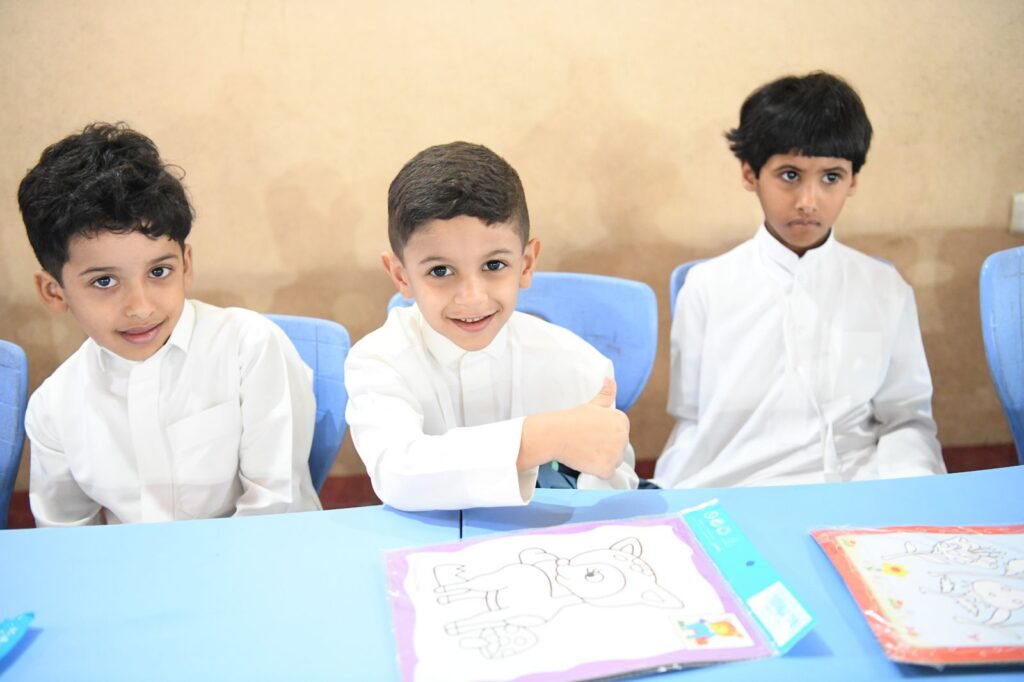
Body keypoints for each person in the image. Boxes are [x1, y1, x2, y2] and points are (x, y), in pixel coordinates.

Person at [18, 122, 321, 526]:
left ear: (186, 265)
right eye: (104, 282)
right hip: (134, 566)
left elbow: (276, 508)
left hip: (256, 555)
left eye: (159, 272)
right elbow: (66, 537)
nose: (141, 308)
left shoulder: (250, 348)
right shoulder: (54, 406)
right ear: (55, 292)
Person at [654, 72, 946, 488]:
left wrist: (908, 490)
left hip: (855, 487)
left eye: (831, 177)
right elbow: (691, 419)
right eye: (790, 175)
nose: (808, 201)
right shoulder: (706, 287)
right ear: (750, 174)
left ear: (853, 180)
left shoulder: (885, 289)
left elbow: (906, 418)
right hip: (736, 487)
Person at [345, 141, 638, 511]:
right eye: (440, 271)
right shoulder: (377, 360)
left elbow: (613, 488)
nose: (472, 297)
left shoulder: (579, 364)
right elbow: (397, 472)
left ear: (526, 264)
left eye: (494, 265)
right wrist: (542, 438)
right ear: (401, 275)